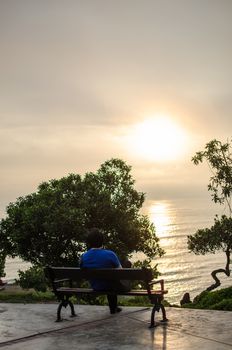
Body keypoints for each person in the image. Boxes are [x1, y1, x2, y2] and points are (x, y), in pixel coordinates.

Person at [80, 228, 130, 314]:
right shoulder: (110, 254)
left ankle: (113, 308)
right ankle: (113, 307)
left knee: (108, 279)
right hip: (113, 287)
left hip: (96, 286)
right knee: (127, 264)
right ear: (102, 241)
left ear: (89, 242)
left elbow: (81, 269)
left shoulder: (84, 256)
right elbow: (121, 273)